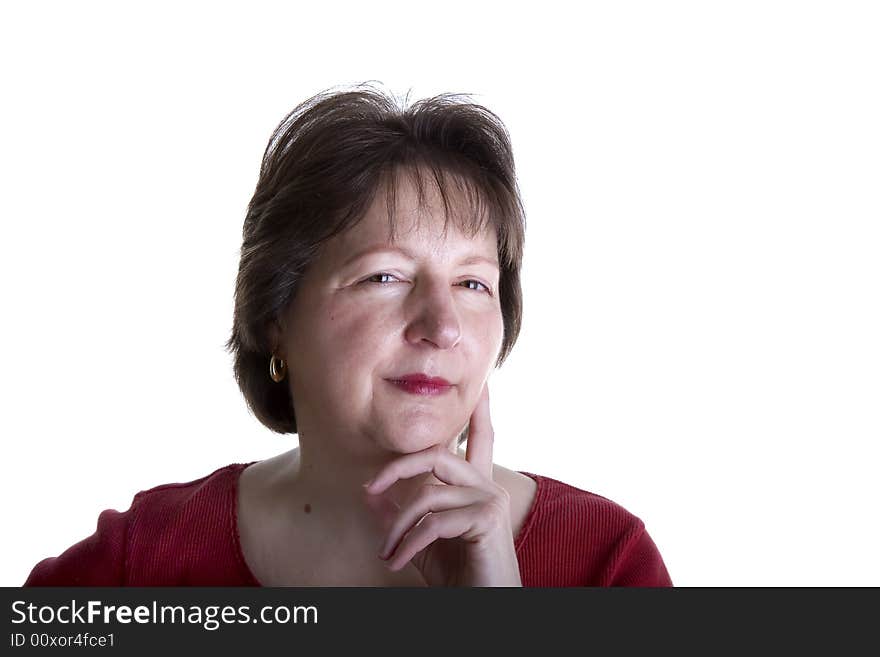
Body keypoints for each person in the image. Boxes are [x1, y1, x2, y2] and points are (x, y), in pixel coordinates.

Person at [25, 86, 672, 587]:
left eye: (474, 284)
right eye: (385, 276)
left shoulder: (606, 562)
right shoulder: (143, 561)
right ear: (276, 315)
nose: (442, 326)